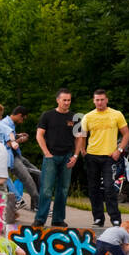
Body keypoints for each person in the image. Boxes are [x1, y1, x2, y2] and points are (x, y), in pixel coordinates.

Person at [80, 89, 129, 228]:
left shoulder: (116, 114)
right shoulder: (88, 117)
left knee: (109, 188)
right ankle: (98, 219)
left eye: (102, 99)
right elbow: (82, 136)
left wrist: (119, 150)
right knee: (93, 188)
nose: (99, 102)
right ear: (93, 101)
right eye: (97, 100)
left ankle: (115, 219)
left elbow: (126, 134)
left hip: (109, 157)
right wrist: (83, 151)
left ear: (106, 100)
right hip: (92, 156)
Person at [34, 89, 79, 228]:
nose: (67, 103)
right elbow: (39, 135)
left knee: (63, 190)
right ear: (58, 100)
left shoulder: (76, 117)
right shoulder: (47, 115)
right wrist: (46, 153)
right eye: (64, 100)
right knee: (46, 190)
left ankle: (58, 219)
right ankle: (40, 219)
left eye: (69, 100)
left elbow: (79, 138)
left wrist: (76, 156)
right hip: (51, 157)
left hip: (67, 157)